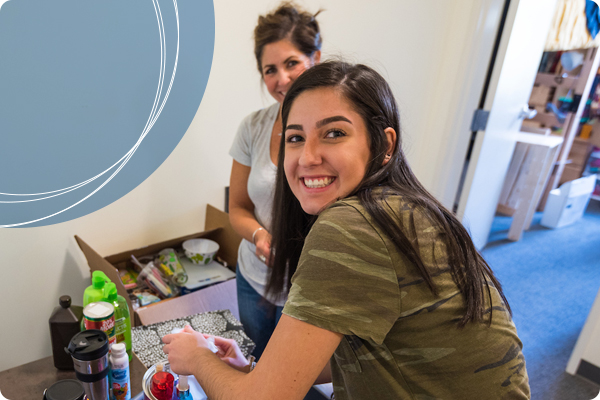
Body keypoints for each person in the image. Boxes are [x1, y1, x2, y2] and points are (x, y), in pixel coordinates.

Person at [163, 61, 531, 400]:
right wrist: (256, 371)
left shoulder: (352, 226)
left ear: (384, 144)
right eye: (295, 138)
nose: (308, 157)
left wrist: (196, 359)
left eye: (334, 133)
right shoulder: (404, 206)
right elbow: (360, 342)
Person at [227, 2, 322, 360]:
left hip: (306, 288)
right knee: (258, 361)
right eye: (270, 70)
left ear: (315, 57)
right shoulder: (253, 127)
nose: (281, 79)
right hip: (253, 278)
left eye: (291, 63)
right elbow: (237, 208)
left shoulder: (335, 131)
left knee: (293, 375)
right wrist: (260, 236)